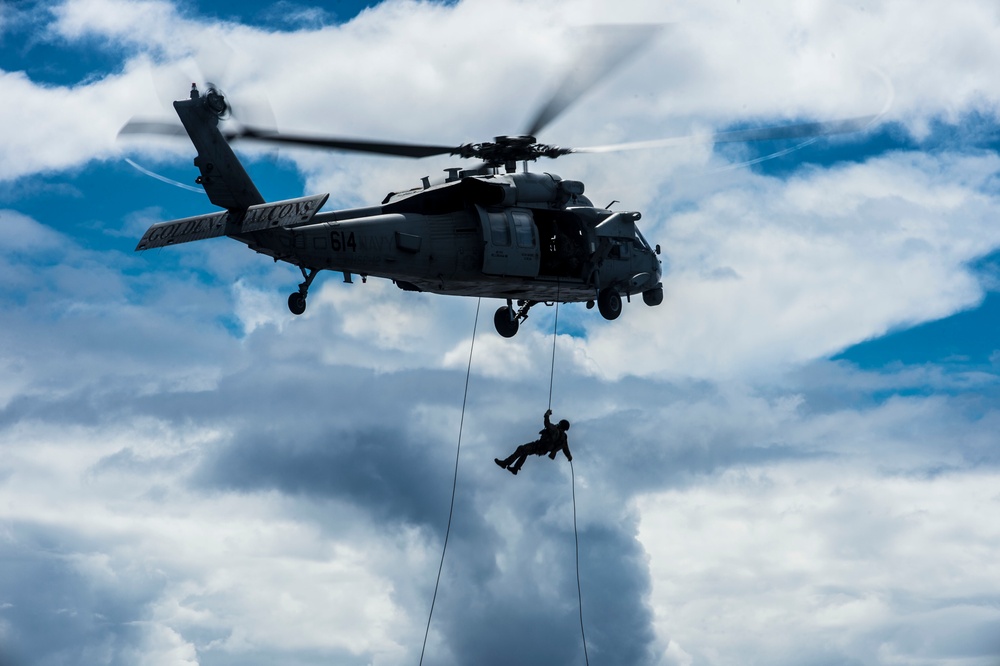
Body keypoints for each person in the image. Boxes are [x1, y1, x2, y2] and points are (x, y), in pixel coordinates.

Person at [494, 409, 572, 475]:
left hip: (538, 446)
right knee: (525, 452)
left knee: (521, 449)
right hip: (543, 449)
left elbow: (547, 424)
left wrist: (547, 415)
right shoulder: (563, 437)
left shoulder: (555, 430)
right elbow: (565, 448)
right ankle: (515, 469)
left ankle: (505, 463)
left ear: (560, 425)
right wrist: (569, 457)